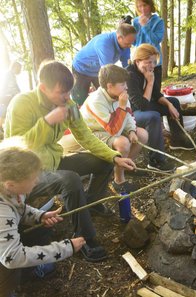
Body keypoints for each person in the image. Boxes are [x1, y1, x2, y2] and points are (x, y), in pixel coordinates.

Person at [4, 60, 136, 262]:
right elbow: (17, 146)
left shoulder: (70, 105)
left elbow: (86, 137)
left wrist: (114, 156)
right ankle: (86, 238)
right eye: (61, 93)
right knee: (70, 180)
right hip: (29, 171)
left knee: (104, 161)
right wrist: (48, 122)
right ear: (43, 88)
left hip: (56, 159)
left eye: (69, 92)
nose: (67, 98)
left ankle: (89, 203)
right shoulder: (22, 104)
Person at [0, 143, 86, 297]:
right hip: (8, 256)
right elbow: (12, 257)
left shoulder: (9, 189)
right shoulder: (2, 212)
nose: (38, 181)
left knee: (40, 228)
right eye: (33, 178)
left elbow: (18, 208)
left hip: (6, 245)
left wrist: (39, 215)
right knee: (6, 274)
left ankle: (27, 273)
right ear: (11, 184)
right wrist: (65, 248)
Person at [61, 65, 148, 192]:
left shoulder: (121, 95)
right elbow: (113, 130)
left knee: (143, 134)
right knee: (123, 143)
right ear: (109, 86)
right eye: (122, 84)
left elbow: (129, 116)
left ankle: (126, 166)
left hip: (110, 128)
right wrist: (122, 106)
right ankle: (119, 180)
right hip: (93, 132)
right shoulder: (96, 100)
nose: (126, 87)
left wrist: (131, 130)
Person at [127, 44, 193, 153]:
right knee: (154, 115)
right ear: (137, 61)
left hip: (144, 105)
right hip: (132, 112)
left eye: (154, 62)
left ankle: (177, 141)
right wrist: (150, 82)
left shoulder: (150, 71)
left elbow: (156, 95)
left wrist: (169, 105)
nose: (152, 66)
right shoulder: (129, 75)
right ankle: (156, 159)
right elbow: (142, 106)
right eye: (148, 62)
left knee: (174, 102)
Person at [71, 23, 137, 105]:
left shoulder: (125, 45)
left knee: (106, 97)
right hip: (81, 69)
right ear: (119, 37)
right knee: (81, 99)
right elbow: (107, 71)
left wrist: (130, 83)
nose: (130, 46)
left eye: (131, 43)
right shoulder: (104, 43)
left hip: (97, 70)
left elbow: (126, 67)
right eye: (127, 43)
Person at [133, 0, 165, 87]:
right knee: (140, 90)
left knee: (155, 91)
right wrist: (125, 29)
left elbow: (155, 41)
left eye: (144, 5)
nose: (142, 9)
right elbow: (134, 42)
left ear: (150, 5)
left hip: (154, 63)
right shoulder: (135, 22)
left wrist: (145, 26)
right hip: (139, 62)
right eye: (139, 6)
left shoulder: (159, 21)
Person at [0, 61, 22, 129]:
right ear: (15, 67)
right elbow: (10, 86)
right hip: (6, 97)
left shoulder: (11, 75)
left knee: (7, 112)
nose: (20, 70)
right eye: (19, 68)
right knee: (5, 112)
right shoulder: (9, 74)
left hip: (7, 96)